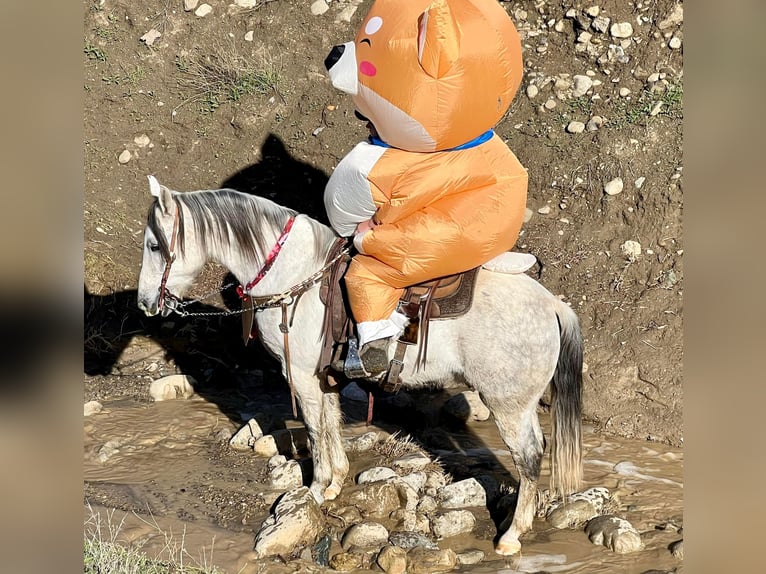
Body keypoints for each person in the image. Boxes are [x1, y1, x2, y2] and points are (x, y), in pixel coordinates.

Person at [324, 0, 528, 375]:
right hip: (499, 214)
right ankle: (488, 256)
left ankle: (373, 339)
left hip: (455, 230)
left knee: (366, 272)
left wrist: (367, 239)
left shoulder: (389, 165)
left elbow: (345, 209)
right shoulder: (490, 150)